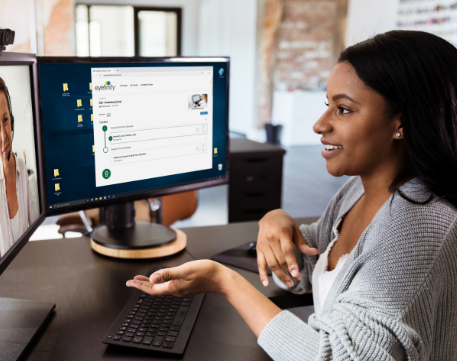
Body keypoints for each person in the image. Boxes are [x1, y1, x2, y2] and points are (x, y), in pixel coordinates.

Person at [126, 31, 457, 360]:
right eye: (327, 105)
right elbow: (318, 260)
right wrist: (277, 221)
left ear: (401, 123)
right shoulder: (360, 188)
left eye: (343, 109)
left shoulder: (420, 230)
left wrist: (224, 281)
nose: (318, 124)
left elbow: (332, 357)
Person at [0, 75, 38, 267]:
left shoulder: (23, 169)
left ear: (12, 122)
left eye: (5, 121)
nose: (3, 136)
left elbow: (34, 227)